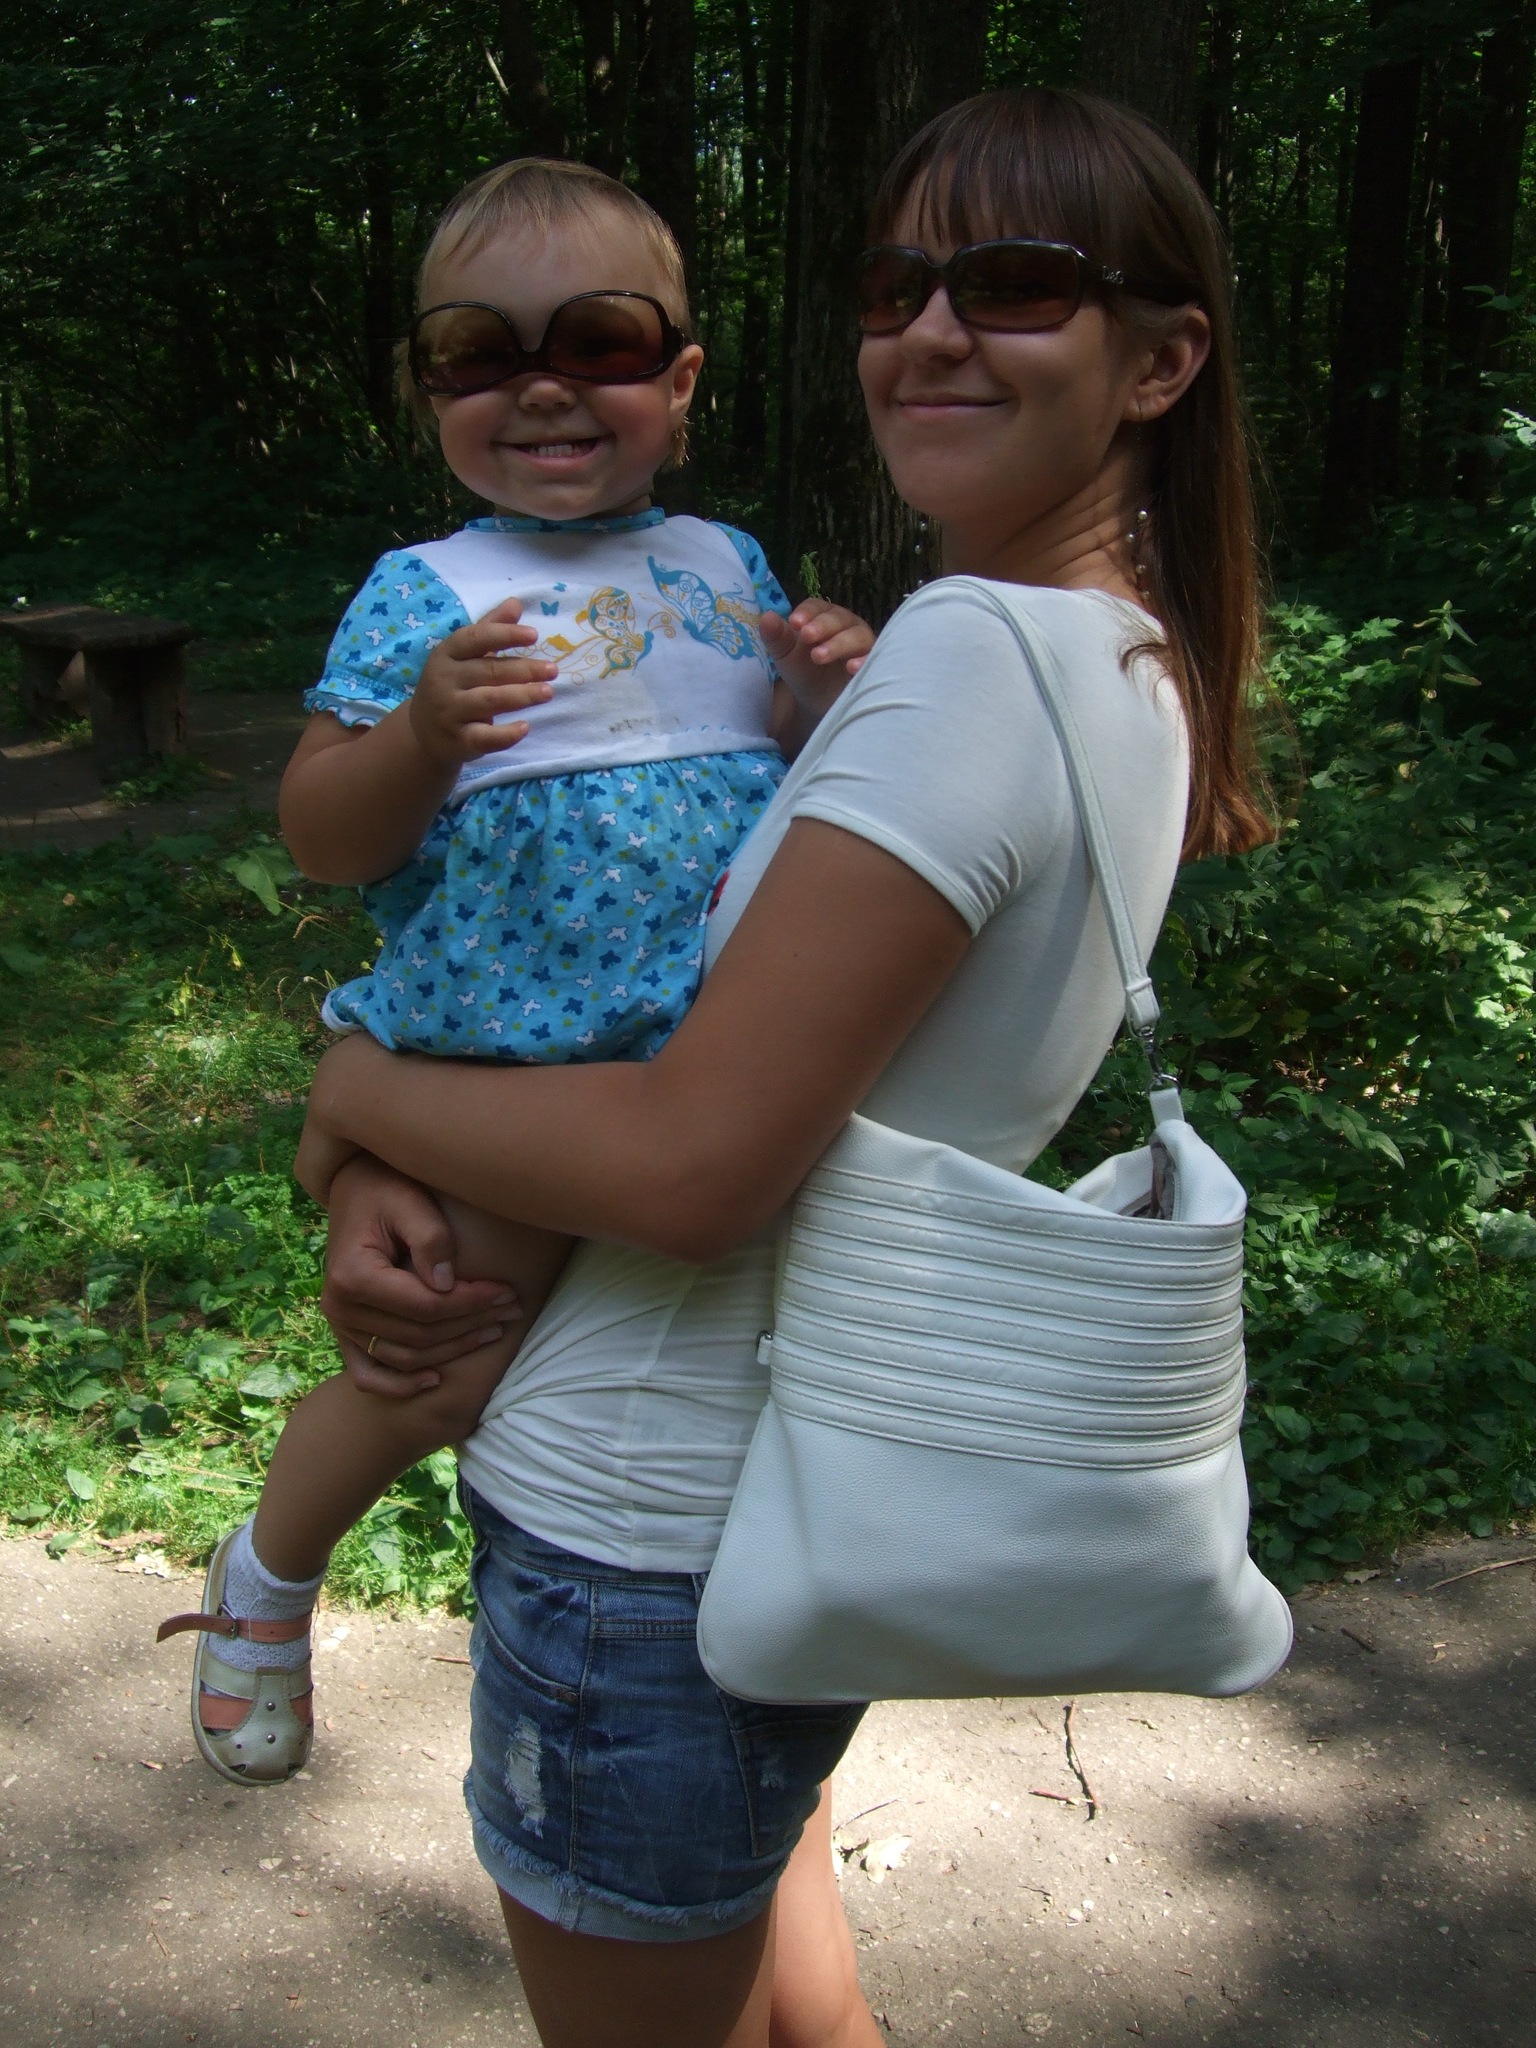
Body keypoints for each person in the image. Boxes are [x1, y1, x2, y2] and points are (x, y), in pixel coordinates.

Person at [293, 88, 1273, 2048]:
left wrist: (353, 1100)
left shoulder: (969, 657)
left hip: (641, 1528)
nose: (932, 330)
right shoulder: (1123, 657)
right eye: (898, 286)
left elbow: (690, 1165)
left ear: (1162, 361)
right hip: (778, 1495)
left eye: (1015, 285)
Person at [157, 158, 872, 1789]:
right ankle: (266, 1577)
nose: (541, 385)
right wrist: (417, 735)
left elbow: (779, 767)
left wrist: (821, 694)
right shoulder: (425, 594)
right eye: (479, 353)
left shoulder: (726, 558)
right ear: (429, 392)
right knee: (433, 1368)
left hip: (698, 1060)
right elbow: (324, 839)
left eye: (599, 340)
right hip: (500, 1080)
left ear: (680, 382)